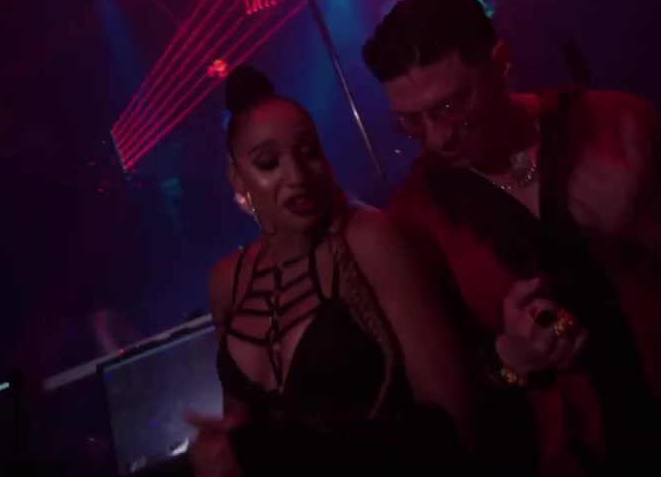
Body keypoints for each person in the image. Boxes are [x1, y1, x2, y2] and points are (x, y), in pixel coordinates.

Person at [362, 0, 661, 475]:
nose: (438, 136)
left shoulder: (612, 123)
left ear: (501, 63)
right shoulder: (414, 218)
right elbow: (441, 408)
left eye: (451, 104)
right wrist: (509, 360)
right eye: (411, 121)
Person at [187, 65, 479, 477]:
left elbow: (453, 424)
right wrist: (219, 451)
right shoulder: (228, 281)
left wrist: (265, 454)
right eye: (268, 162)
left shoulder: (370, 241)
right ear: (238, 179)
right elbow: (238, 429)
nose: (297, 176)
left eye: (309, 152)